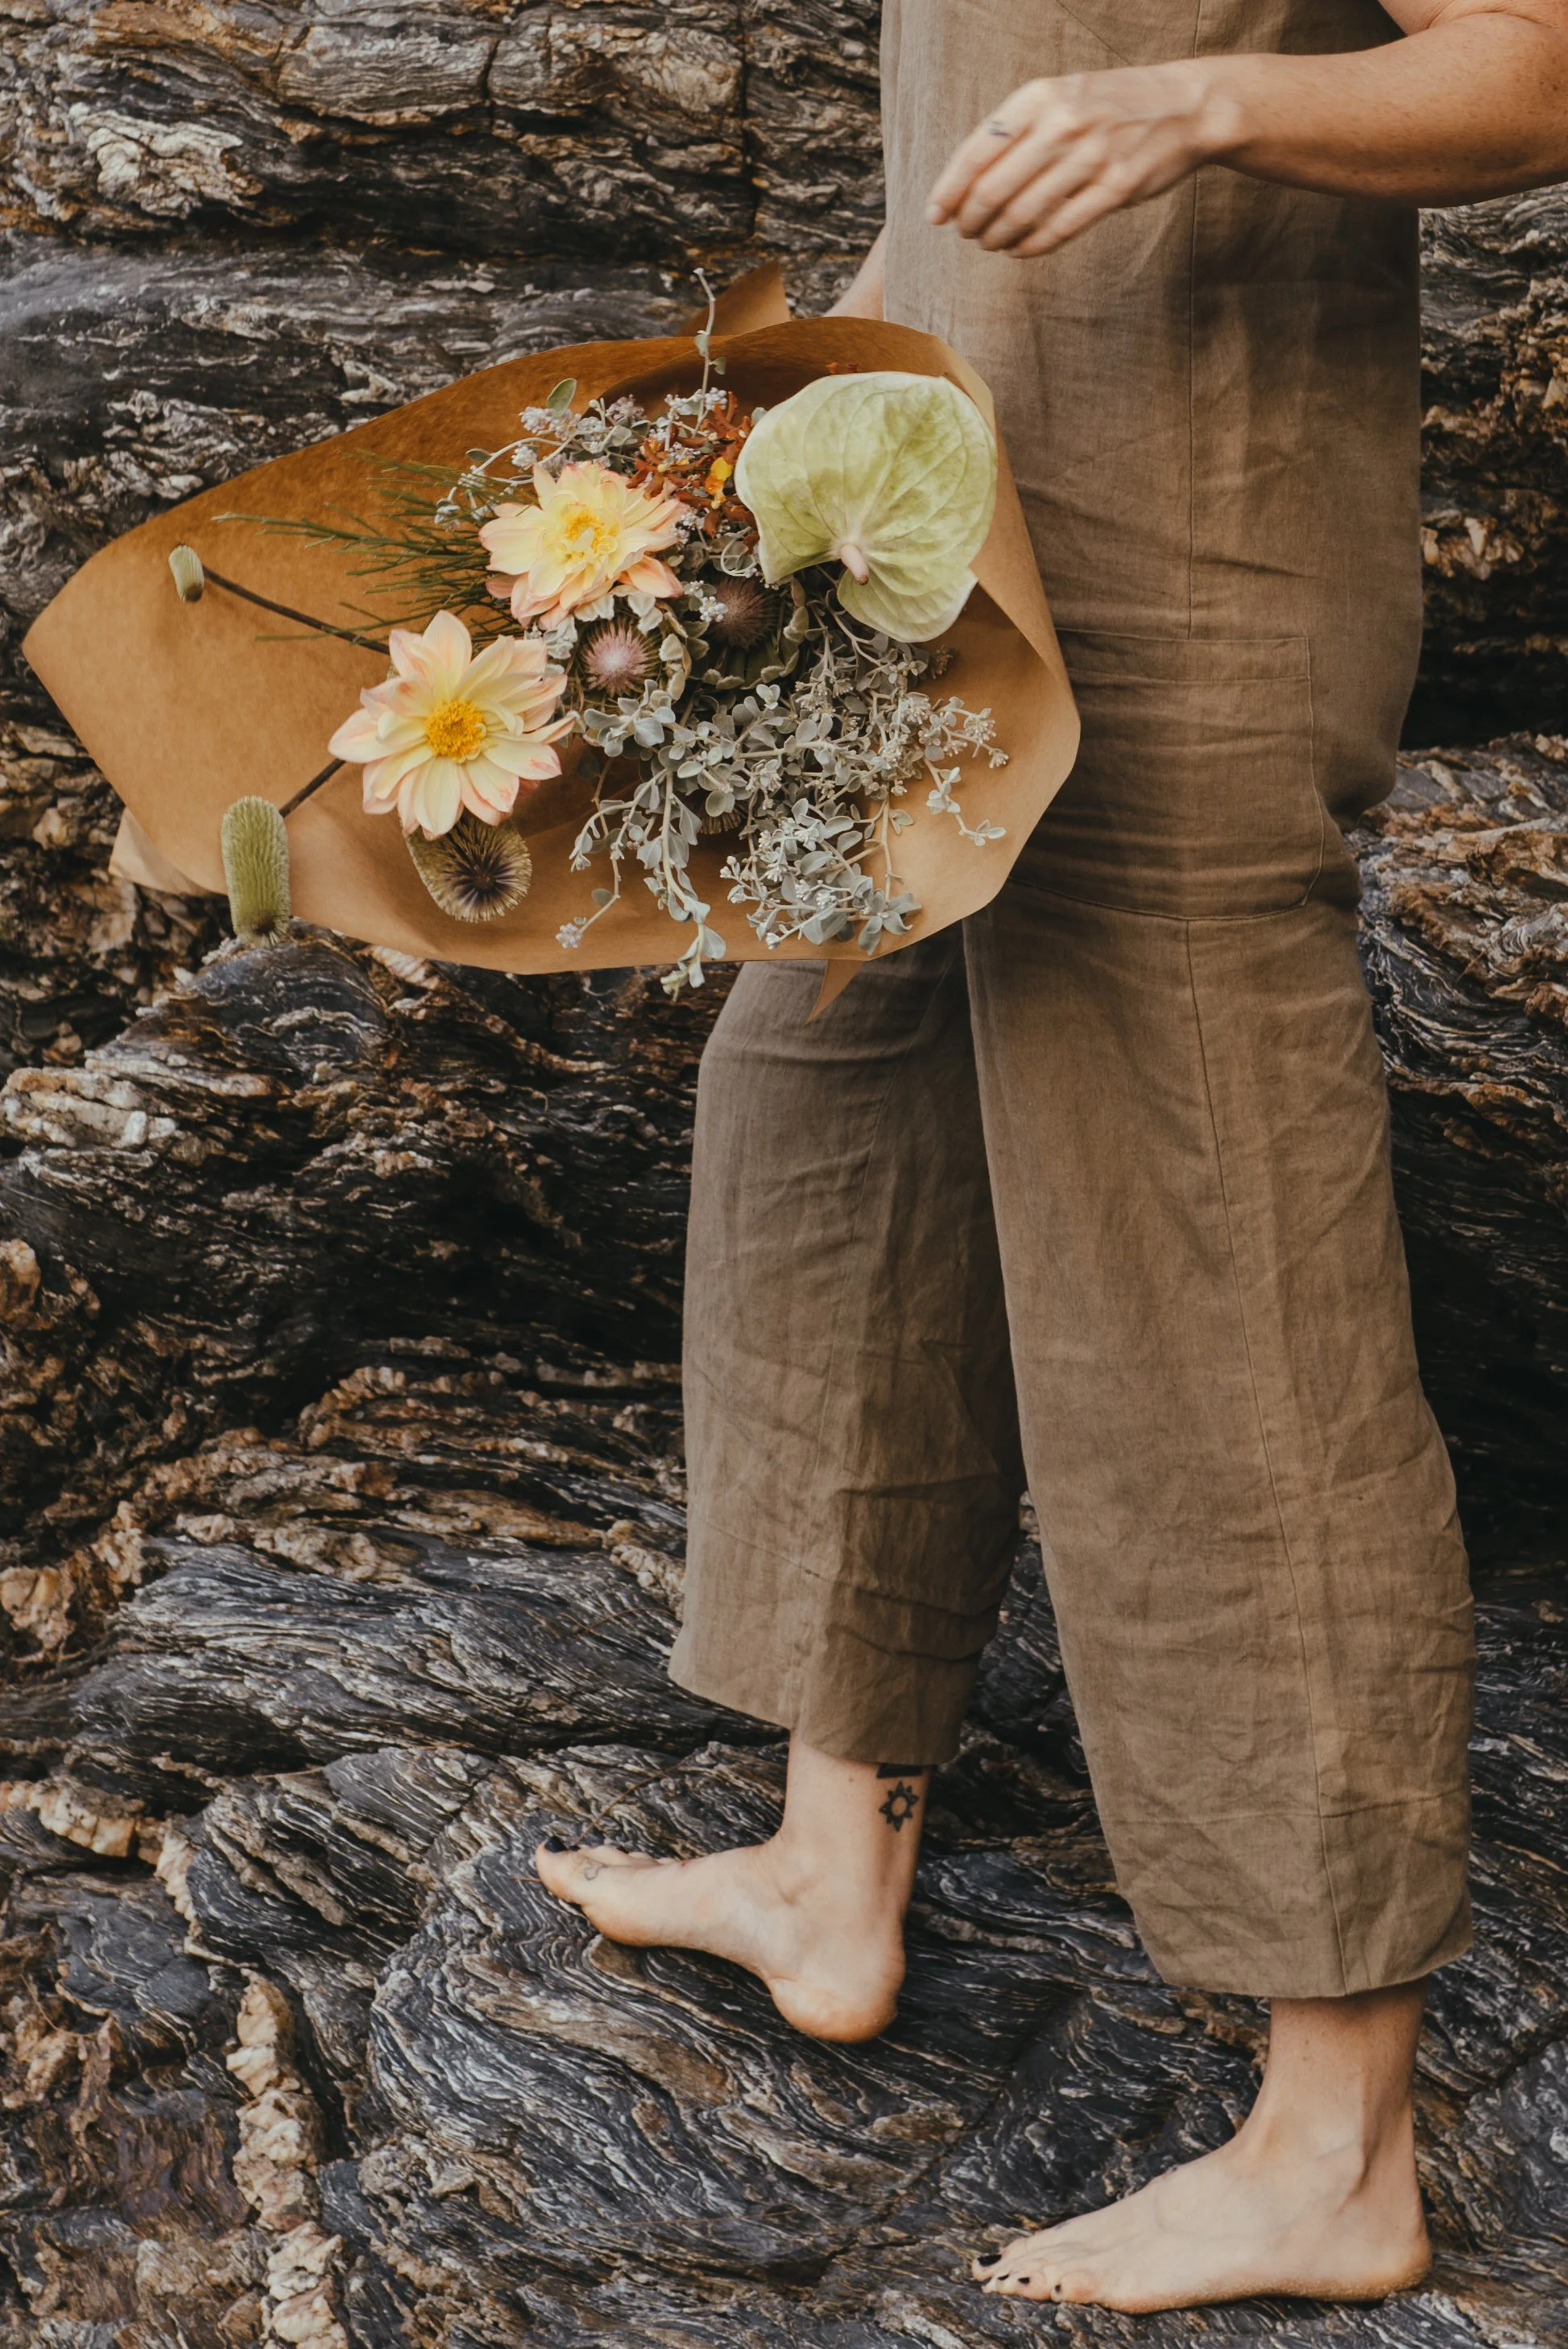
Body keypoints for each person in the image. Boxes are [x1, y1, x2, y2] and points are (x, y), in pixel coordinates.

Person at [538, 0, 1568, 2313]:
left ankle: (1336, 2139)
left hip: (1190, 576)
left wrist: (1201, 104)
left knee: (1215, 1294)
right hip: (947, 556)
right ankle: (832, 1868)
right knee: (826, 1116)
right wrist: (787, 426)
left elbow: (1540, 64)